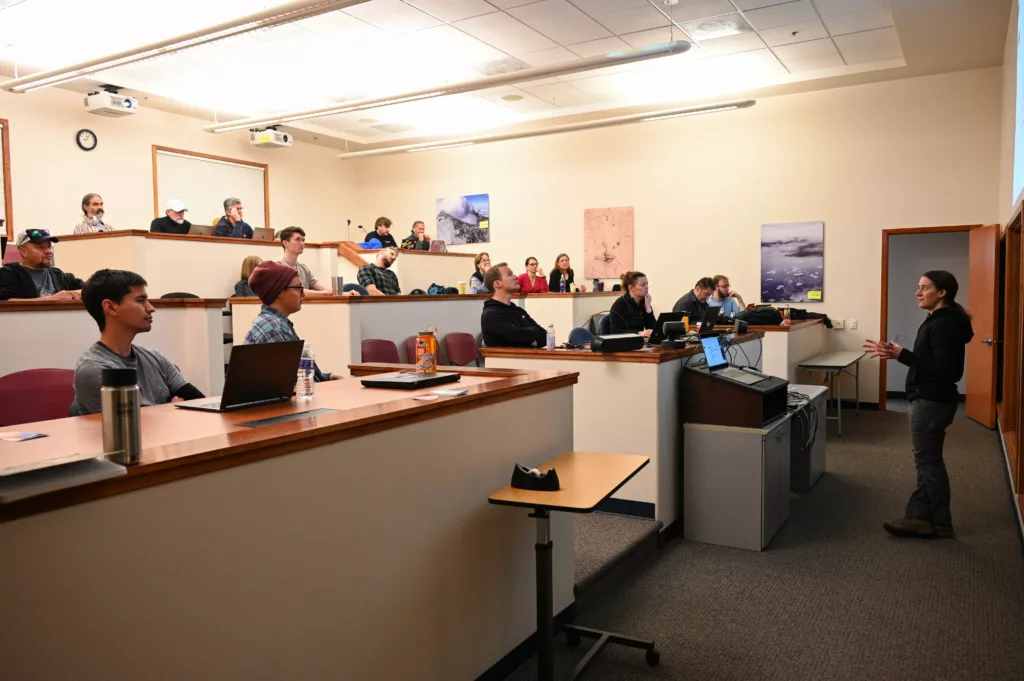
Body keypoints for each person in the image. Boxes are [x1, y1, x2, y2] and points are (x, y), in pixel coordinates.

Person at [863, 270, 974, 539]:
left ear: (942, 292)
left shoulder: (944, 324)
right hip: (933, 400)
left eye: (924, 288)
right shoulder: (941, 320)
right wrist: (900, 355)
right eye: (918, 287)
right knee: (927, 462)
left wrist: (903, 355)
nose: (918, 292)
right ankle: (919, 517)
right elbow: (935, 363)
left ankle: (939, 522)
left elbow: (944, 370)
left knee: (929, 463)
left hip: (931, 402)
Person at [74, 269, 206, 415]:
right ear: (111, 307)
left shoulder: (155, 357)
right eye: (140, 300)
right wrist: (172, 410)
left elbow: (200, 403)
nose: (151, 308)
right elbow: (132, 428)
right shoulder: (95, 370)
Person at [243, 260, 342, 381]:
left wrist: (328, 377)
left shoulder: (274, 322)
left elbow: (300, 371)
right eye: (298, 288)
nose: (303, 294)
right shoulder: (275, 328)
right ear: (279, 291)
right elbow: (296, 383)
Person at [0, 229, 85, 301]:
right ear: (23, 252)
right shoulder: (9, 273)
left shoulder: (59, 275)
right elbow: (6, 302)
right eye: (40, 247)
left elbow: (91, 289)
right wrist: (51, 299)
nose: (48, 251)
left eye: (49, 247)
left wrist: (78, 293)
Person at [276, 226, 358, 296]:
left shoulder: (304, 268)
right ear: (285, 243)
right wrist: (323, 293)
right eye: (298, 240)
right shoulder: (278, 266)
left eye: (303, 240)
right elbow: (294, 292)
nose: (302, 243)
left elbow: (323, 289)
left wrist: (346, 294)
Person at [481, 263, 547, 348]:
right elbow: (516, 338)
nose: (516, 277)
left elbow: (545, 336)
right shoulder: (491, 314)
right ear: (497, 283)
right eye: (509, 274)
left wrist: (528, 337)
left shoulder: (518, 311)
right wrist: (533, 333)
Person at [609, 271, 656, 338]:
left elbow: (653, 329)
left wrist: (648, 308)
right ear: (631, 288)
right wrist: (638, 333)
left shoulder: (644, 302)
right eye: (643, 285)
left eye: (646, 284)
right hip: (624, 343)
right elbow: (615, 331)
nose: (647, 287)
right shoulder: (619, 304)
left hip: (639, 342)